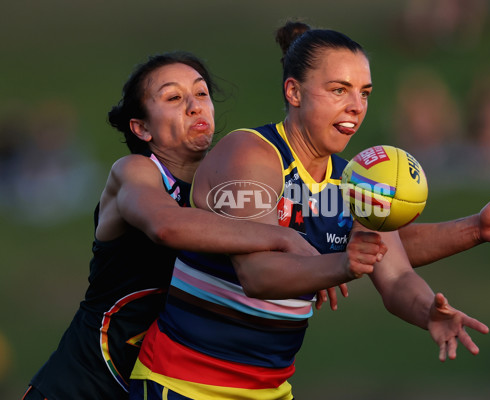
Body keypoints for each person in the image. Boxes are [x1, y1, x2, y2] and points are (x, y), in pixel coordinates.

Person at [130, 22, 490, 400]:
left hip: (269, 388)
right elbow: (257, 274)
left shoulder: (353, 179)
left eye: (364, 93)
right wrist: (343, 264)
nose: (356, 106)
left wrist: (433, 301)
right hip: (184, 383)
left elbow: (395, 273)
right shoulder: (252, 155)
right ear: (294, 92)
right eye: (339, 90)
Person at [21, 52, 351, 400]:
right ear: (141, 128)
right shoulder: (135, 172)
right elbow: (167, 225)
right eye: (174, 98)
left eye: (202, 94)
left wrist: (317, 262)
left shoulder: (233, 183)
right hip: (80, 385)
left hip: (166, 384)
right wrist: (283, 238)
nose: (195, 106)